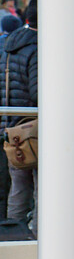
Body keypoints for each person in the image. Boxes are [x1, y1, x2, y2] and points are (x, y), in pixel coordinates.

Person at [1, 1, 37, 233]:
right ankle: (37, 237)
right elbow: (38, 91)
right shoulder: (37, 47)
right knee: (40, 187)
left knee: (18, 186)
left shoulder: (9, 43)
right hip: (33, 128)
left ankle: (13, 234)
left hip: (12, 127)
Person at [0, 14, 23, 219]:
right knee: (25, 182)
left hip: (7, 122)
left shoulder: (5, 49)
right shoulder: (31, 47)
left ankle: (11, 227)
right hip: (24, 125)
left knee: (15, 183)